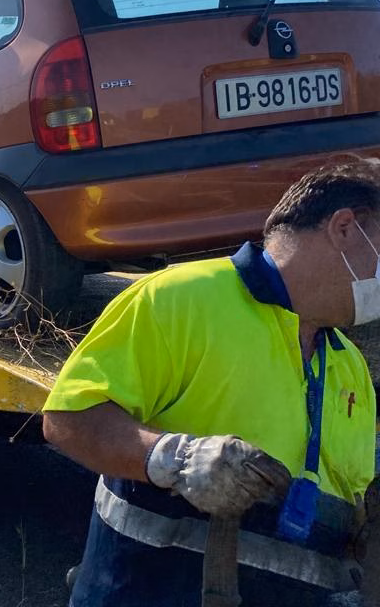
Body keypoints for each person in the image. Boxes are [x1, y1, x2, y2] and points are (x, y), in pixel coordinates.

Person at [42, 160, 380, 606]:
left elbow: (351, 510)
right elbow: (68, 419)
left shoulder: (349, 364)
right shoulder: (181, 298)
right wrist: (173, 459)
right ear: (344, 227)